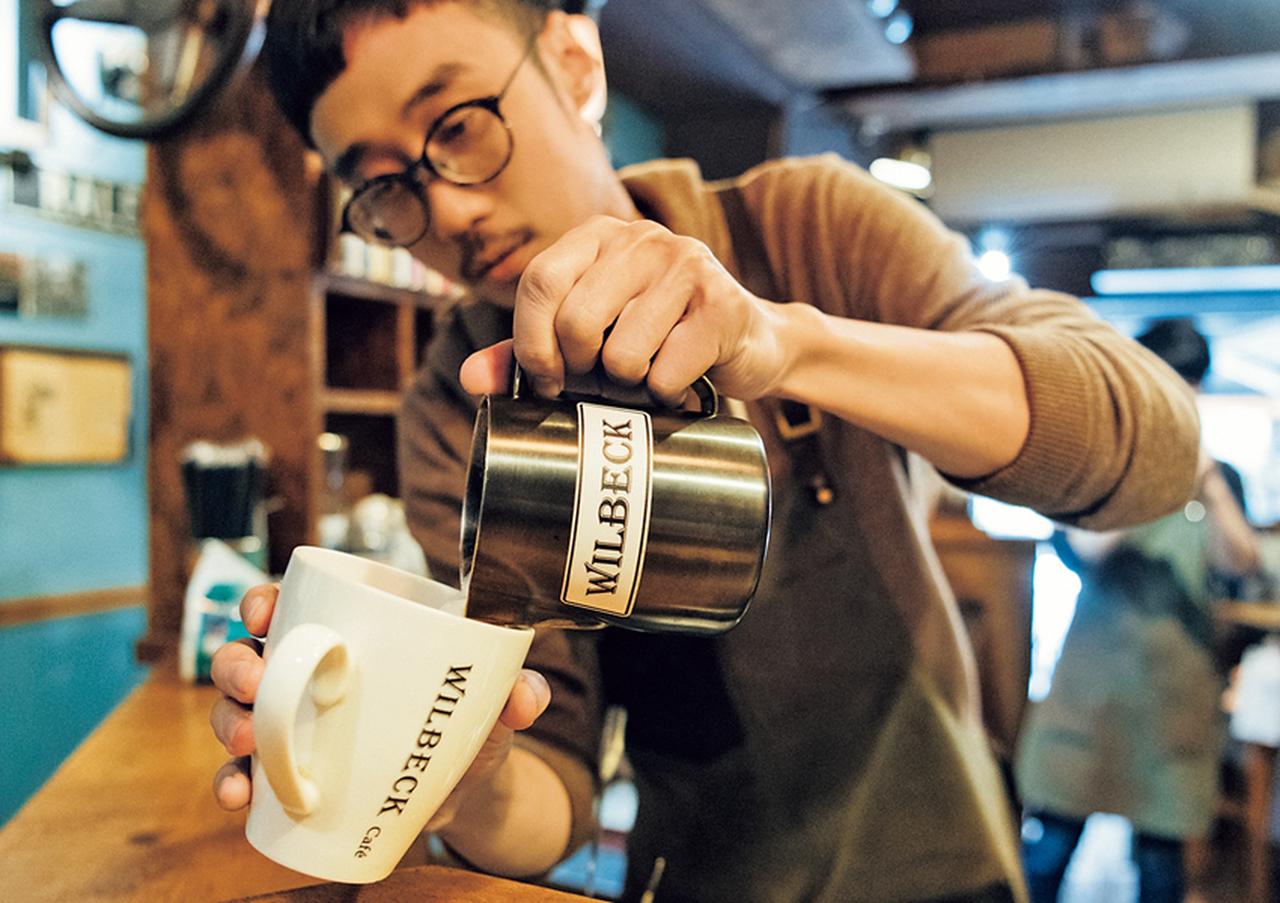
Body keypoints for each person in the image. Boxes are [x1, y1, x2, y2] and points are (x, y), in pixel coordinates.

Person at [208, 2, 1201, 899]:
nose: (450, 215)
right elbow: (549, 777)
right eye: (382, 189)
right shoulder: (451, 403)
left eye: (458, 126)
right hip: (700, 875)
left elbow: (1149, 444)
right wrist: (461, 781)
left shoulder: (803, 230)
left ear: (573, 64)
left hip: (936, 862)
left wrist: (785, 343)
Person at [1016, 318, 1260, 903]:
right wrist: (1144, 468)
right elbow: (1085, 549)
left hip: (1172, 704)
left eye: (1191, 386)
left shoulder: (1219, 476)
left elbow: (1241, 563)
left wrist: (1207, 483)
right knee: (1046, 853)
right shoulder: (1102, 469)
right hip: (1090, 698)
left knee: (1160, 868)